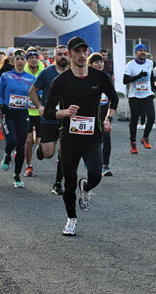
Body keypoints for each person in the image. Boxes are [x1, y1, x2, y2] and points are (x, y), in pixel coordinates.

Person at [43, 37, 118, 236]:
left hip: (93, 136)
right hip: (69, 138)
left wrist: (108, 118)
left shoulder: (99, 77)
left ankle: (85, 187)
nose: (82, 55)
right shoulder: (61, 81)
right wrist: (64, 112)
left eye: (84, 51)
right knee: (69, 183)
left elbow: (114, 98)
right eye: (77, 52)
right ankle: (71, 218)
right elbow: (48, 111)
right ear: (69, 55)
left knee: (95, 174)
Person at [29, 44, 69, 195]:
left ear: (69, 56)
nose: (63, 57)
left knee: (64, 153)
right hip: (49, 119)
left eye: (65, 54)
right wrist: (39, 106)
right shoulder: (47, 73)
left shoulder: (74, 73)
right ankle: (40, 146)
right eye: (59, 54)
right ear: (54, 56)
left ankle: (58, 183)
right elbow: (32, 91)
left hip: (67, 119)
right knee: (48, 154)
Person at [0, 49, 35, 188]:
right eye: (17, 59)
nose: (20, 62)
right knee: (12, 141)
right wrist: (1, 105)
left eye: (22, 59)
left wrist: (36, 100)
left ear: (25, 62)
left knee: (21, 146)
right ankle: (7, 155)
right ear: (13, 61)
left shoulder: (31, 78)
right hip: (8, 114)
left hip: (23, 114)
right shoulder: (6, 76)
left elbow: (37, 94)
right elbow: (0, 93)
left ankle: (17, 176)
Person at [122, 43, 156, 152]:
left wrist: (152, 85)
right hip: (134, 96)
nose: (143, 52)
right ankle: (133, 142)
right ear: (136, 53)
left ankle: (145, 137)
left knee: (151, 117)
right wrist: (138, 76)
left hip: (147, 94)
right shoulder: (130, 65)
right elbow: (125, 81)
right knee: (134, 120)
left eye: (144, 50)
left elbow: (151, 76)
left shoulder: (150, 63)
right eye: (140, 50)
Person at [87, 53, 115, 176]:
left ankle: (105, 166)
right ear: (90, 64)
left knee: (106, 137)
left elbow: (112, 96)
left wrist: (109, 116)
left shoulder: (106, 76)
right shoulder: (86, 77)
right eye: (96, 62)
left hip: (103, 112)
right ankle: (90, 162)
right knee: (90, 140)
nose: (100, 64)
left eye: (101, 62)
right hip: (89, 113)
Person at [22, 47, 45, 177]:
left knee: (40, 141)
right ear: (27, 60)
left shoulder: (44, 71)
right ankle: (29, 166)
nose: (34, 60)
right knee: (28, 140)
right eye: (31, 58)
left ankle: (37, 147)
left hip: (40, 112)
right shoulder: (22, 72)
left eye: (36, 57)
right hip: (27, 112)